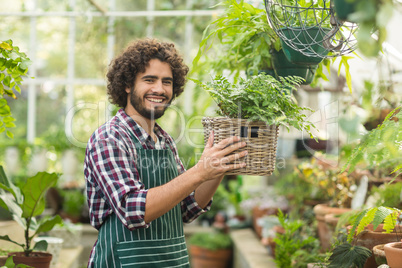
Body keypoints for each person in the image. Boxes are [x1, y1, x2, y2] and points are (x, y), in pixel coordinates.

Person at [84, 38, 247, 267]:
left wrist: (218, 166)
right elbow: (133, 210)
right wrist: (199, 172)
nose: (159, 89)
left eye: (167, 82)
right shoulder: (110, 138)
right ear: (128, 84)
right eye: (149, 80)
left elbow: (187, 208)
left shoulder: (165, 140)